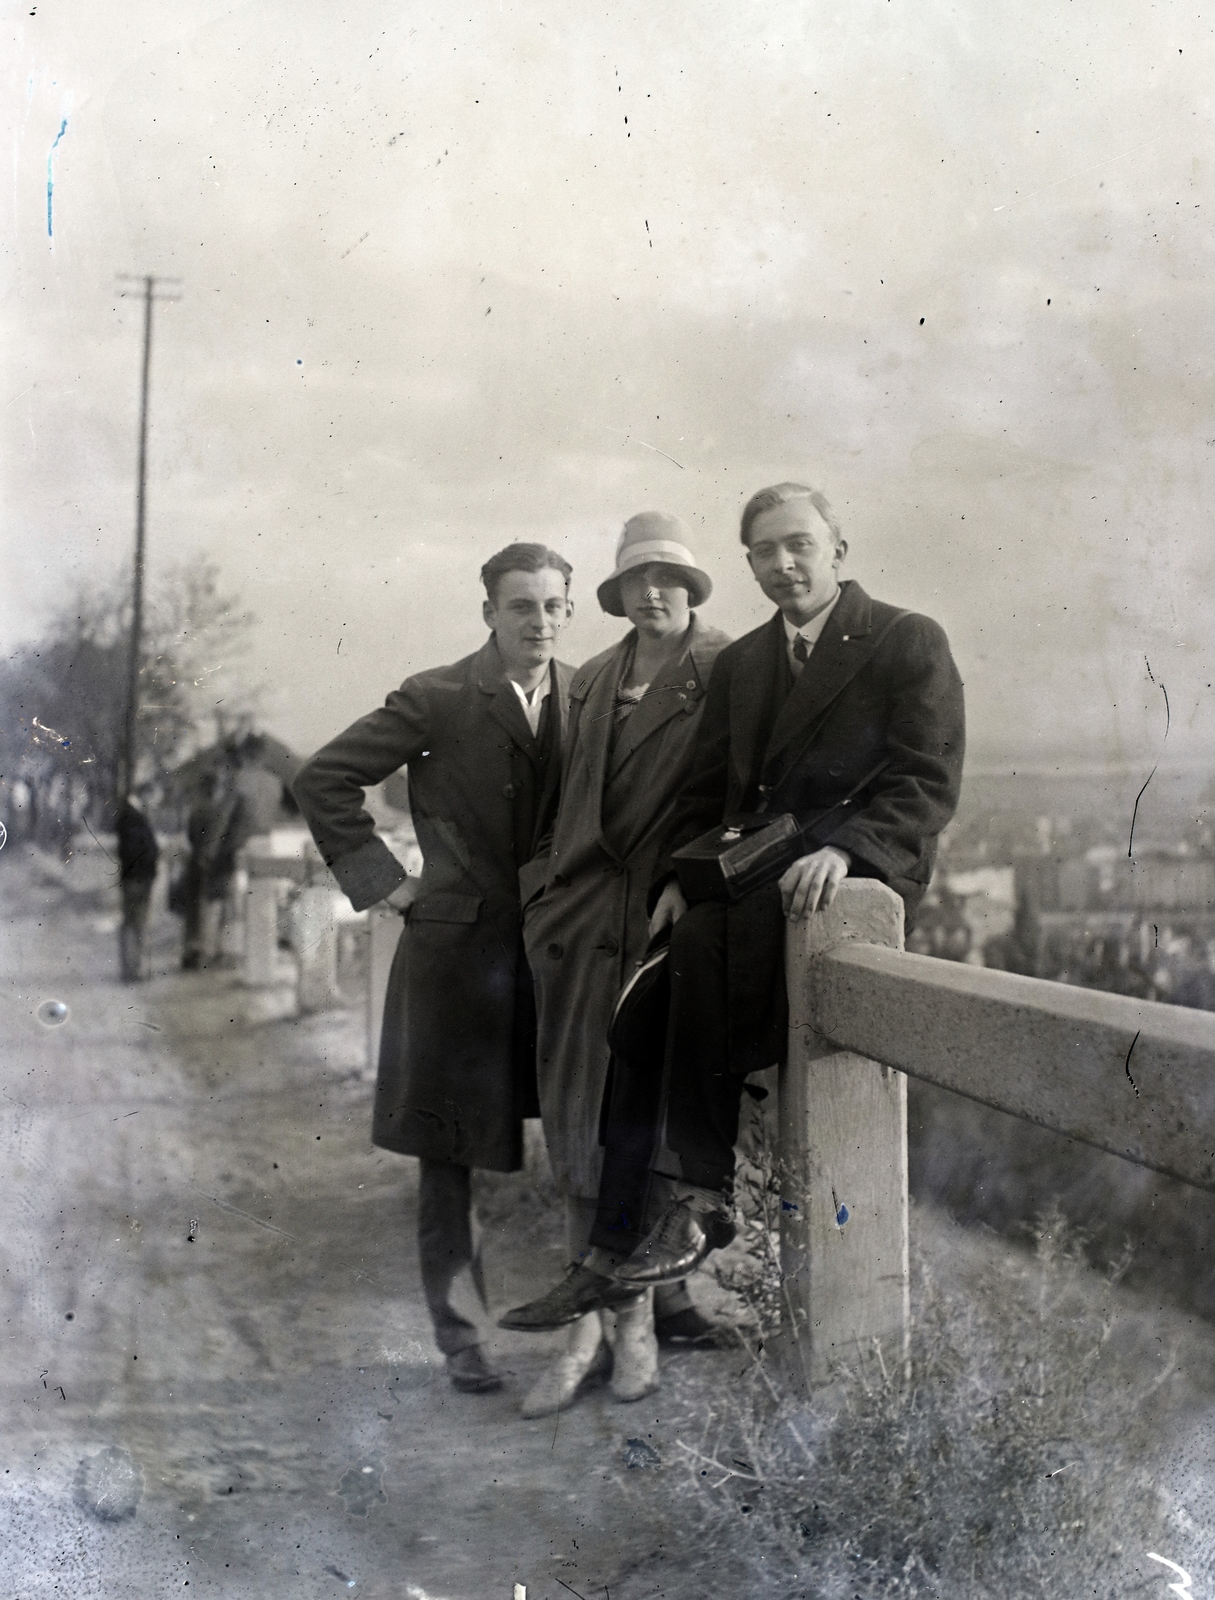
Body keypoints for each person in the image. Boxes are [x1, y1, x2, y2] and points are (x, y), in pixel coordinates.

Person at [502, 481, 965, 1328]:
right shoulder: (748, 662)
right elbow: (707, 794)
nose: (783, 565)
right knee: (639, 1012)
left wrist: (844, 849)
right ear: (747, 560)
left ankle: (698, 1194)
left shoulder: (903, 639)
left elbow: (925, 779)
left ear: (838, 549)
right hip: (748, 874)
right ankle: (611, 1245)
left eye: (799, 545)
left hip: (844, 877)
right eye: (764, 550)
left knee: (705, 961)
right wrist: (679, 878)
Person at [291, 544, 575, 1394]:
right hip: (456, 959)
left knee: (590, 1136)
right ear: (487, 611)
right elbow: (324, 779)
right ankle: (463, 1339)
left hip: (555, 960)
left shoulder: (589, 699)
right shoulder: (439, 696)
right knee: (447, 1154)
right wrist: (391, 885)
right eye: (521, 606)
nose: (539, 622)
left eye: (554, 606)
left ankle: (608, 1327)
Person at [507, 513, 731, 1417]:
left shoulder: (724, 671)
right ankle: (584, 1331)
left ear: (694, 586)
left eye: (669, 577)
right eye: (637, 580)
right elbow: (559, 808)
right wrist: (542, 898)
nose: (653, 594)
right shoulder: (593, 679)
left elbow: (744, 791)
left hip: (660, 923)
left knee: (636, 1125)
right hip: (578, 926)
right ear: (616, 594)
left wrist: (691, 878)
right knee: (574, 1125)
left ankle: (628, 1322)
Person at [181, 760, 248, 971]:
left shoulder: (196, 809)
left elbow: (191, 836)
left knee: (198, 912)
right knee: (221, 910)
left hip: (197, 864)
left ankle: (197, 952)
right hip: (218, 865)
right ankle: (218, 952)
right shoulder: (219, 810)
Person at [115, 795, 160, 982]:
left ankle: (129, 968)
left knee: (130, 922)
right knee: (138, 924)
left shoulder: (126, 819)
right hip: (140, 879)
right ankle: (137, 969)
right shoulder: (136, 820)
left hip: (131, 878)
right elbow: (146, 850)